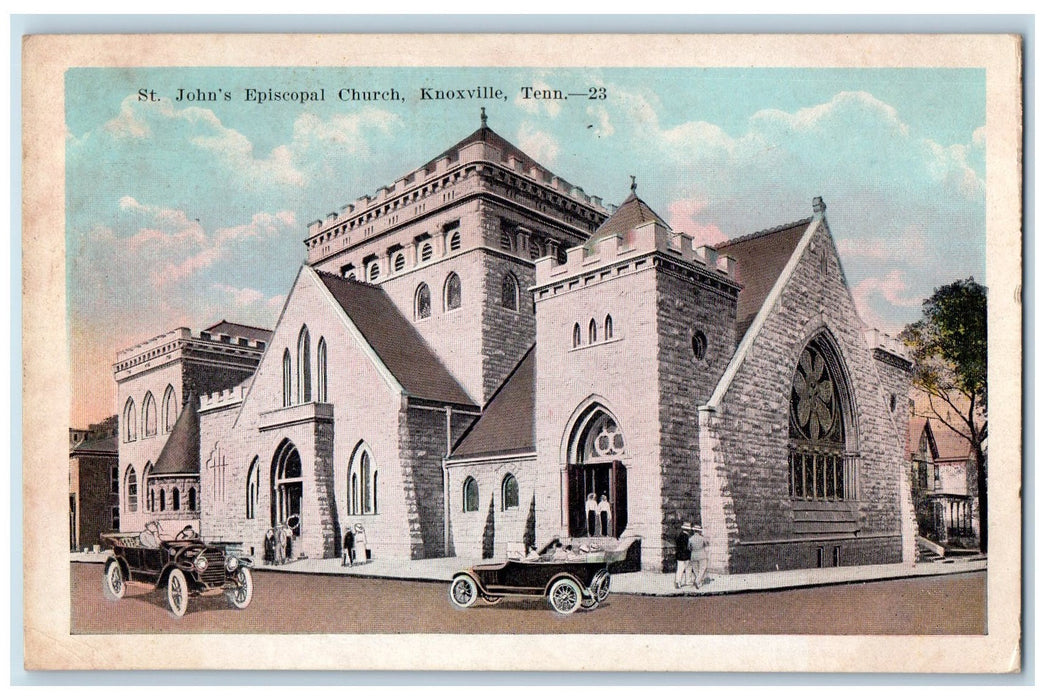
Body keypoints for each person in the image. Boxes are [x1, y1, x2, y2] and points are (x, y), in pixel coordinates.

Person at [689, 525, 710, 589]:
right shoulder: (702, 538)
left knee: (695, 569)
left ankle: (699, 582)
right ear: (699, 531)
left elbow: (689, 547)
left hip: (693, 555)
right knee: (703, 568)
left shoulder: (690, 539)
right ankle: (697, 581)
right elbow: (706, 544)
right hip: (702, 554)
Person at [675, 523, 693, 589]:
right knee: (688, 568)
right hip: (686, 555)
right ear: (688, 530)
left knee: (680, 569)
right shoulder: (688, 537)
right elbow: (689, 547)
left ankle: (678, 581)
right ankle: (688, 581)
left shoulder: (679, 536)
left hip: (679, 555)